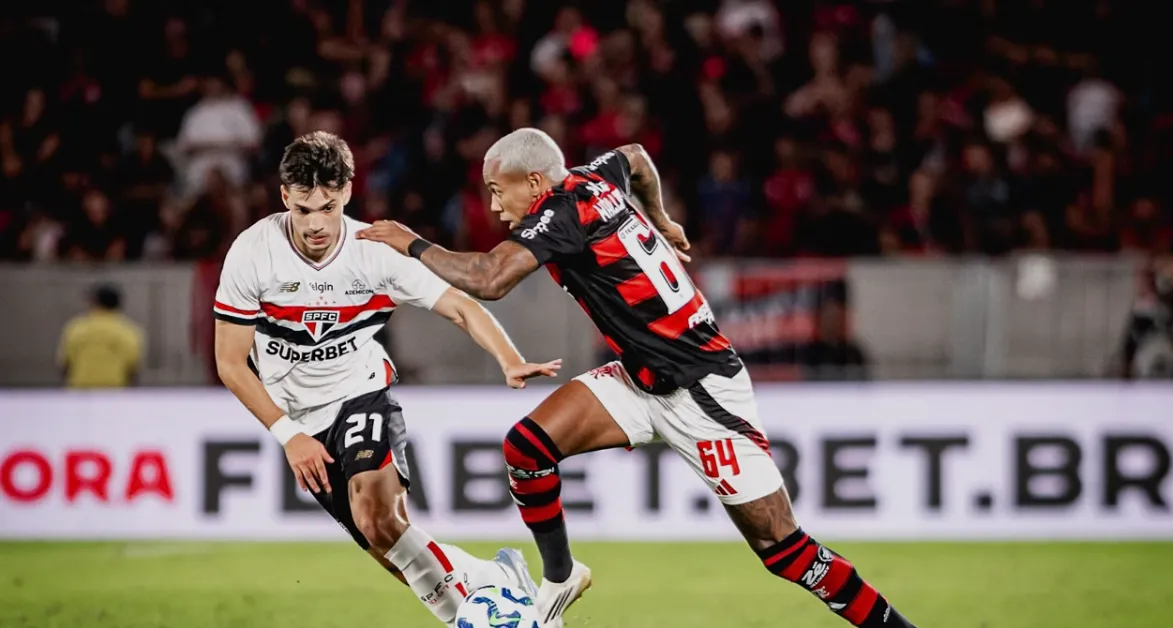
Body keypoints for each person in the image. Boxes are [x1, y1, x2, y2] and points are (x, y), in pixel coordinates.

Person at [357, 128, 919, 628]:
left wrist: (410, 242)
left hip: (703, 392)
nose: (495, 205)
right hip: (641, 378)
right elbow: (636, 155)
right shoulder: (595, 178)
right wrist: (663, 218)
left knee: (782, 546)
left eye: (497, 190)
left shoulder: (561, 211)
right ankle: (560, 579)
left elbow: (490, 277)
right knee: (527, 449)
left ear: (533, 182)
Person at [213, 131, 556, 626]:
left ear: (348, 192)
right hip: (298, 418)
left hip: (360, 394)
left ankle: (493, 618)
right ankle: (495, 581)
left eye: (327, 207)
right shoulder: (253, 253)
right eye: (304, 209)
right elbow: (230, 363)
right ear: (285, 196)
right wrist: (288, 435)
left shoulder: (373, 251)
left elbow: (460, 306)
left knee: (379, 517)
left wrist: (508, 357)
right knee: (388, 546)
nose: (316, 224)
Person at [57, 284, 144, 388]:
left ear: (94, 301)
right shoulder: (128, 331)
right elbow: (133, 368)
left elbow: (65, 364)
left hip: (80, 391)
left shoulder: (77, 328)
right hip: (115, 391)